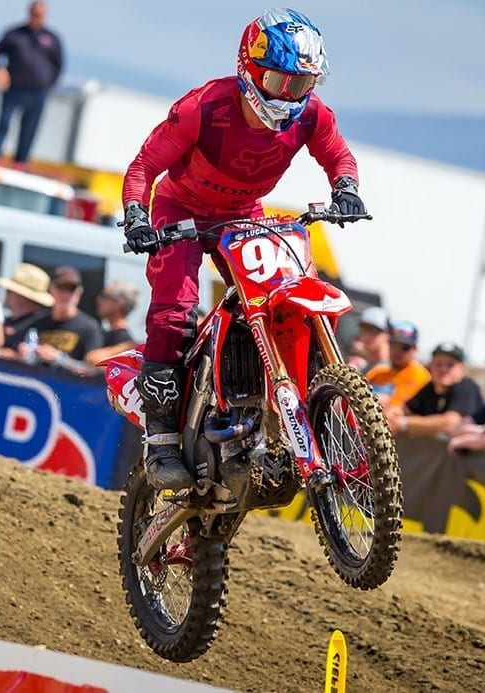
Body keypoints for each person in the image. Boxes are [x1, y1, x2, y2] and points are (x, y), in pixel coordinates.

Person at [120, 9, 365, 490]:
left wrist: (347, 188)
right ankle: (162, 437)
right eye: (279, 80)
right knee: (174, 312)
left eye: (301, 84)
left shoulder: (312, 113)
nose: (289, 95)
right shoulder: (203, 108)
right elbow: (144, 166)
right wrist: (136, 216)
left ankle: (298, 408)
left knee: (285, 299)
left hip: (244, 216)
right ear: (249, 69)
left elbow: (338, 154)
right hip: (181, 213)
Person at [0, 1, 64, 164]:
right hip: (14, 88)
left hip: (38, 92)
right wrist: (0, 70)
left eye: (41, 14)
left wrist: (48, 85)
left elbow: (58, 65)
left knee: (29, 131)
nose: (38, 17)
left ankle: (20, 163)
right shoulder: (14, 34)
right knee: (3, 124)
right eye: (35, 14)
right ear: (29, 13)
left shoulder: (52, 38)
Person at [386, 342, 483, 437]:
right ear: (431, 366)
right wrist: (392, 414)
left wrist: (403, 423)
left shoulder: (466, 387)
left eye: (450, 365)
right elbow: (404, 409)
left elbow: (450, 423)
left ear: (461, 369)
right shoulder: (430, 387)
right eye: (438, 364)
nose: (443, 369)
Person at [23, 265, 102, 367]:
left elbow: (92, 370)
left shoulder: (89, 328)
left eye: (71, 289)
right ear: (51, 289)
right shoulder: (37, 322)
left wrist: (59, 359)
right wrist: (24, 354)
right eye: (61, 287)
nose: (66, 294)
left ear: (79, 292)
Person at [365, 320, 431, 411]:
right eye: (394, 345)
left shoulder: (421, 377)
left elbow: (399, 411)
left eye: (405, 347)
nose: (398, 351)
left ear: (415, 349)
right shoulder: (376, 373)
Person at [0, 262, 54, 356]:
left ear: (24, 297)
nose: (6, 292)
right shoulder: (7, 321)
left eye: (11, 290)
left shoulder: (41, 325)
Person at [84, 280, 139, 365]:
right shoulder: (105, 334)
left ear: (119, 303)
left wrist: (126, 347)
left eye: (105, 297)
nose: (98, 300)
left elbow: (92, 360)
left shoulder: (123, 339)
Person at [346, 306, 389, 374]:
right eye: (363, 329)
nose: (367, 335)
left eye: (374, 330)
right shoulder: (364, 369)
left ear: (387, 334)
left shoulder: (393, 368)